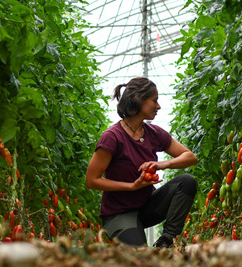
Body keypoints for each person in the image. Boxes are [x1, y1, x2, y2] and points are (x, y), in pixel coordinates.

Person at [84, 77, 198, 248]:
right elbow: (91, 180)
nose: (158, 106)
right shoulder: (112, 137)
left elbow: (190, 157)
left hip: (147, 207)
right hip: (119, 213)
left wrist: (161, 164)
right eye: (155, 100)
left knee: (186, 181)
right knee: (141, 256)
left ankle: (166, 240)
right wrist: (132, 186)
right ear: (139, 99)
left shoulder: (154, 133)